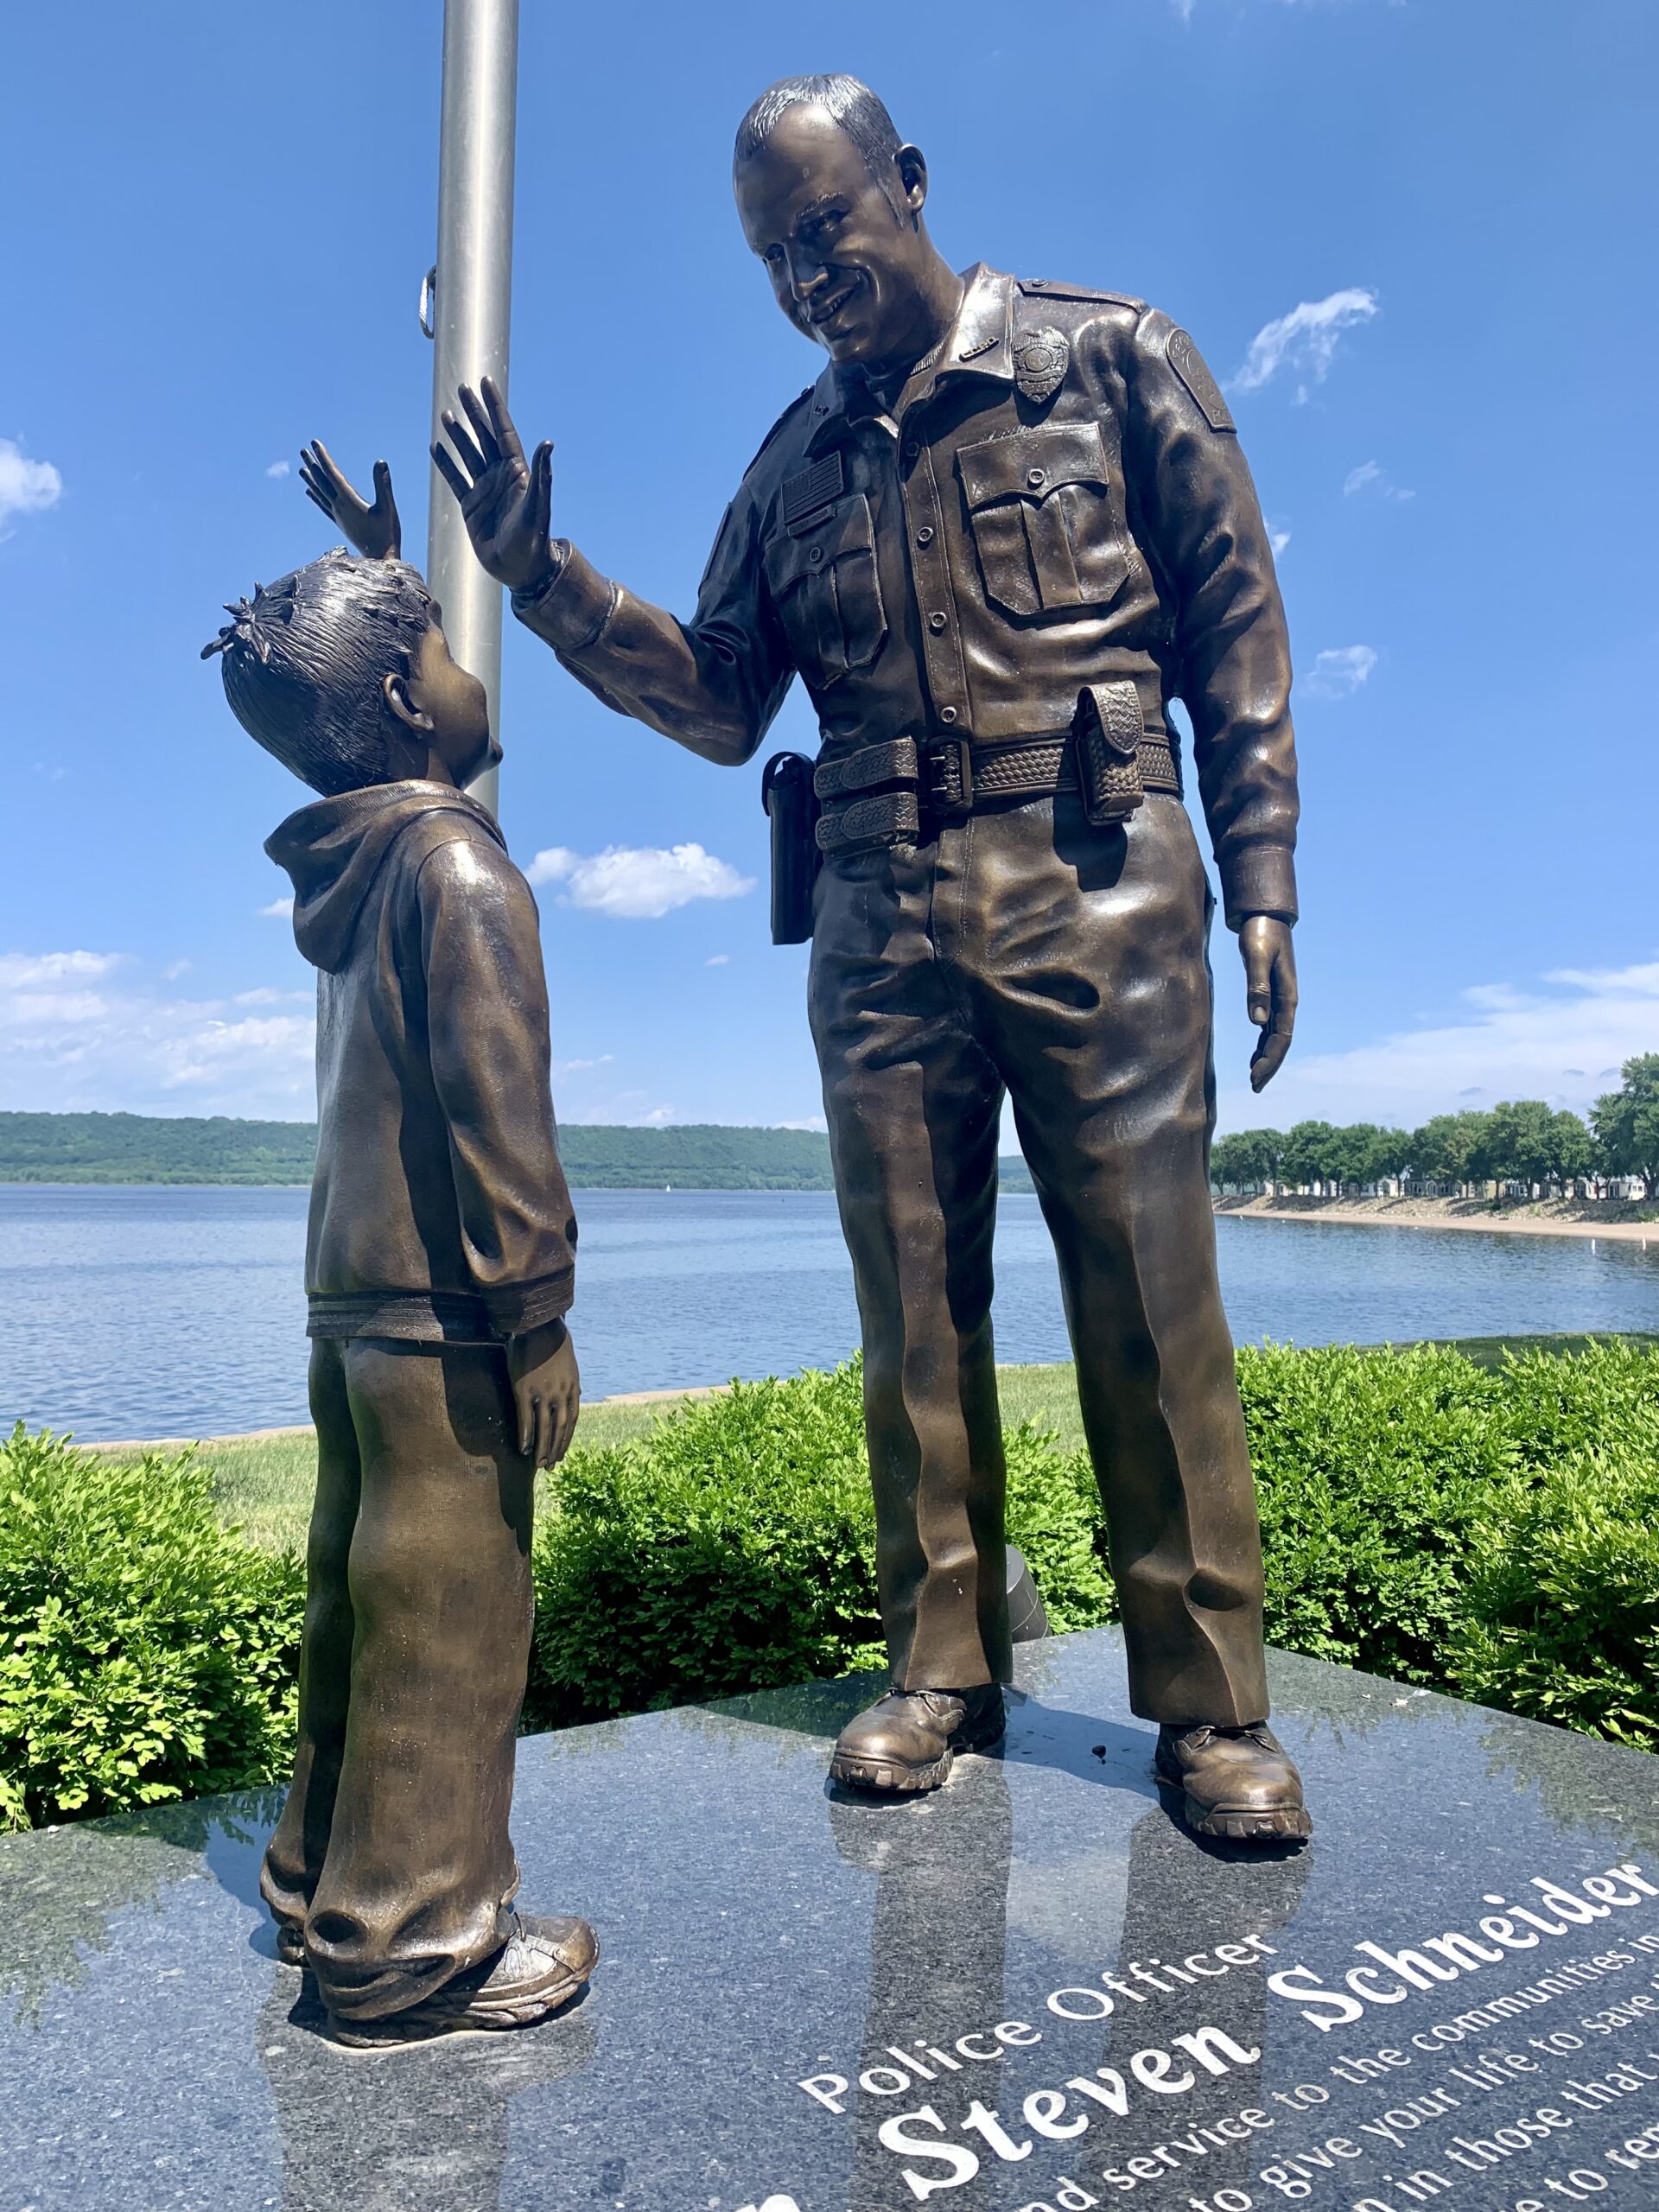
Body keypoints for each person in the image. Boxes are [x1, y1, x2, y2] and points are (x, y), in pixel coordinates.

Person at [432, 74, 1310, 1843]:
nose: (805, 272)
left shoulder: (1116, 358)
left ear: (909, 184)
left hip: (1105, 879)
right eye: (773, 253)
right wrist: (544, 580)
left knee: (1147, 1298)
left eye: (826, 224)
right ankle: (939, 1659)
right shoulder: (789, 468)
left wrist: (1265, 871)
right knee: (909, 1303)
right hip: (878, 911)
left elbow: (1236, 624)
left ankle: (1210, 1703)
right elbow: (714, 694)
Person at [204, 453, 599, 2043]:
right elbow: (496, 1108)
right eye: (441, 644)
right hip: (448, 1315)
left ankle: (321, 1884)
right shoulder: (456, 866)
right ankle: (410, 1945)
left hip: (351, 1299)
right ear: (404, 695)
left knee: (354, 1597)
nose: (470, 666)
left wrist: (373, 557)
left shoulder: (356, 866)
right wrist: (541, 1313)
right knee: (447, 1610)